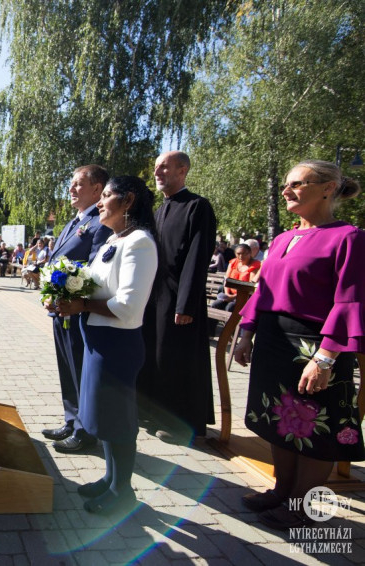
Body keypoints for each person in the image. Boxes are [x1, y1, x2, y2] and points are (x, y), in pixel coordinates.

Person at [234, 160, 365, 530]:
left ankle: (302, 507)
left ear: (328, 188)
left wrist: (325, 358)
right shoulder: (281, 239)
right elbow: (263, 292)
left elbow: (349, 301)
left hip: (316, 348)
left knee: (315, 428)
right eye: (286, 184)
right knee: (280, 419)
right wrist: (247, 333)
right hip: (273, 342)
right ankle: (282, 492)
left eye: (297, 184)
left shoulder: (348, 237)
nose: (286, 191)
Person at [55, 176, 158, 514]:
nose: (99, 202)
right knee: (103, 415)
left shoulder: (140, 242)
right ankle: (111, 479)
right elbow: (96, 284)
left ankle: (123, 492)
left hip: (117, 343)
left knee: (118, 418)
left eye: (108, 195)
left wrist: (81, 305)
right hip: (97, 338)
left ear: (128, 201)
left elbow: (128, 306)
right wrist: (63, 292)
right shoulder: (115, 239)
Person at [137, 150, 217, 445]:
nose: (157, 172)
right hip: (155, 298)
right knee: (155, 357)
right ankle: (153, 413)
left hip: (179, 301)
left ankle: (181, 423)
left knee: (176, 361)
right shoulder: (160, 210)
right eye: (156, 167)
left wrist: (185, 304)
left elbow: (197, 258)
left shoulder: (197, 206)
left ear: (182, 170)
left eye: (164, 167)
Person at [43, 165, 112, 453]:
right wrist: (48, 287)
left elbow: (94, 267)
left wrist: (67, 291)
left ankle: (86, 431)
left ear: (97, 189)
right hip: (60, 308)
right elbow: (58, 259)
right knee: (67, 368)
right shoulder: (76, 221)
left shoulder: (99, 222)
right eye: (71, 183)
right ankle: (72, 420)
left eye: (78, 184)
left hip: (78, 310)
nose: (71, 189)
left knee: (81, 370)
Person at [209, 243, 261, 311]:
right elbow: (226, 279)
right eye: (238, 254)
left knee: (230, 307)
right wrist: (227, 294)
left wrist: (234, 297)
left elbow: (251, 286)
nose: (241, 256)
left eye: (244, 254)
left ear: (250, 253)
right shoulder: (233, 262)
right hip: (230, 293)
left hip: (244, 296)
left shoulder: (255, 265)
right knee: (215, 305)